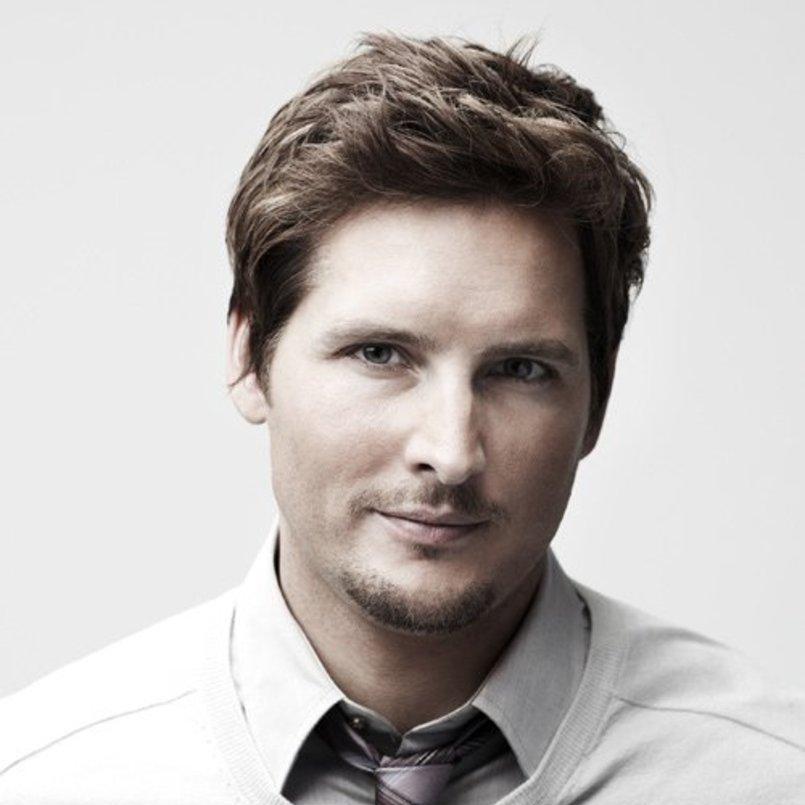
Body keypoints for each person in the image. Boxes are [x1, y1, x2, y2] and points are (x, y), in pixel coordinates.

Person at [1, 31, 803, 805]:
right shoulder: (44, 777)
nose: (451, 453)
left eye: (520, 370)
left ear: (599, 394)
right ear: (248, 357)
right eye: (380, 354)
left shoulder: (768, 776)